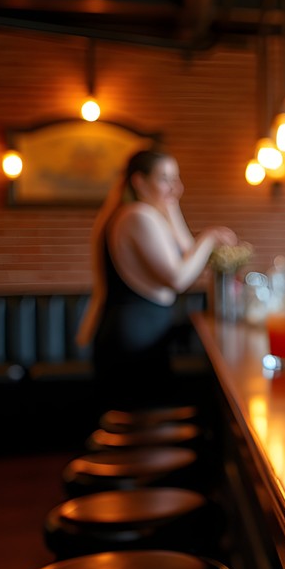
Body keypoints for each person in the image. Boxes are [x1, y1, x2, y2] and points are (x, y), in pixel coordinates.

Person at [77, 149, 237, 409]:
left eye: (176, 179)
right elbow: (178, 278)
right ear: (139, 182)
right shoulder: (137, 215)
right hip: (132, 343)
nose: (176, 187)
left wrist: (171, 204)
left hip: (142, 336)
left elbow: (187, 250)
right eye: (165, 179)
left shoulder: (146, 214)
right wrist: (208, 238)